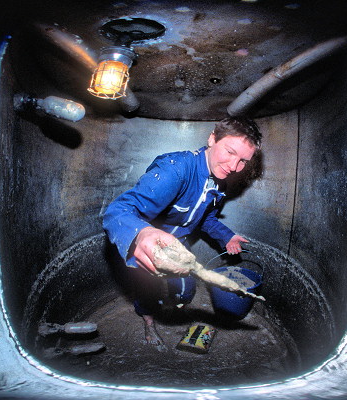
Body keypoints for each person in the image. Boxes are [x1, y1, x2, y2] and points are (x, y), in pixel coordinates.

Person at [103, 116, 262, 349]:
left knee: (186, 288)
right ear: (212, 139)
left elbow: (205, 217)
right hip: (151, 243)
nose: (233, 166)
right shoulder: (175, 169)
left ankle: (175, 310)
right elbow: (119, 210)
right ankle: (149, 322)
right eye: (229, 152)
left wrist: (226, 236)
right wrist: (141, 234)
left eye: (243, 161)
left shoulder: (219, 181)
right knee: (148, 289)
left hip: (178, 244)